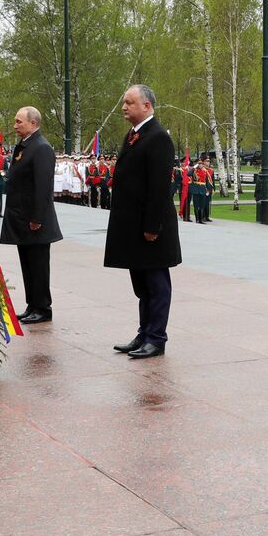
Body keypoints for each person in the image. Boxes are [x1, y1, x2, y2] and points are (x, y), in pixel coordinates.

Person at [105, 85, 181, 359]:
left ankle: (157, 338)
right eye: (124, 102)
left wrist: (152, 227)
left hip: (152, 228)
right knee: (142, 284)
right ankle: (144, 333)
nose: (124, 107)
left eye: (129, 102)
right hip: (133, 226)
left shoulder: (158, 137)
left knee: (156, 283)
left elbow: (159, 188)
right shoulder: (135, 135)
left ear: (146, 106)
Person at [0, 107, 62, 324]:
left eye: (19, 122)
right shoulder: (27, 145)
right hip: (22, 218)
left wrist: (37, 218)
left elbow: (43, 187)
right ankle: (32, 305)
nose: (15, 126)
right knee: (27, 264)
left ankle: (43, 307)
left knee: (38, 265)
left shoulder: (41, 148)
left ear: (33, 123)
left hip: (35, 220)